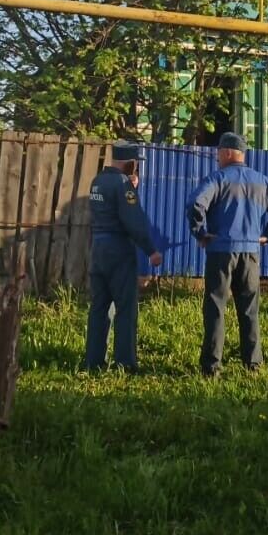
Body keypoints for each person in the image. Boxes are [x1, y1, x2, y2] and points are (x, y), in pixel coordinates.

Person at [186, 132, 268, 377]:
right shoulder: (262, 182)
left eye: (218, 154)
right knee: (249, 309)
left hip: (221, 252)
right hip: (250, 253)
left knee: (215, 308)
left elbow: (195, 204)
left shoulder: (218, 179)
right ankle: (253, 365)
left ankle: (212, 367)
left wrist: (201, 233)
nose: (217, 158)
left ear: (226, 152)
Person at [83, 141, 162, 373]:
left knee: (99, 306)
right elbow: (133, 221)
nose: (136, 169)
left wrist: (130, 187)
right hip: (119, 251)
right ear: (130, 163)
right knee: (126, 308)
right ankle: (125, 363)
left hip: (98, 249)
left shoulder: (98, 181)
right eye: (136, 165)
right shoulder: (122, 184)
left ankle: (93, 361)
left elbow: (110, 208)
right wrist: (151, 250)